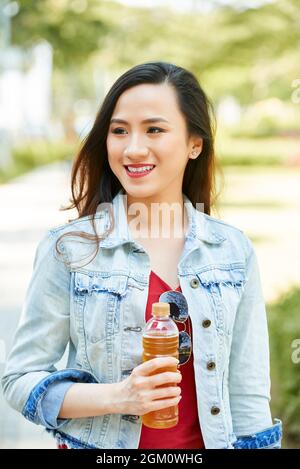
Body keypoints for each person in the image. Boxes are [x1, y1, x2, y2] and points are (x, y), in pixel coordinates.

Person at [2, 61, 282, 449]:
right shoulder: (70, 249)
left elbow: (248, 395)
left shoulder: (232, 252)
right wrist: (119, 396)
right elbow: (20, 379)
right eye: (119, 131)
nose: (133, 148)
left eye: (154, 129)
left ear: (194, 143)